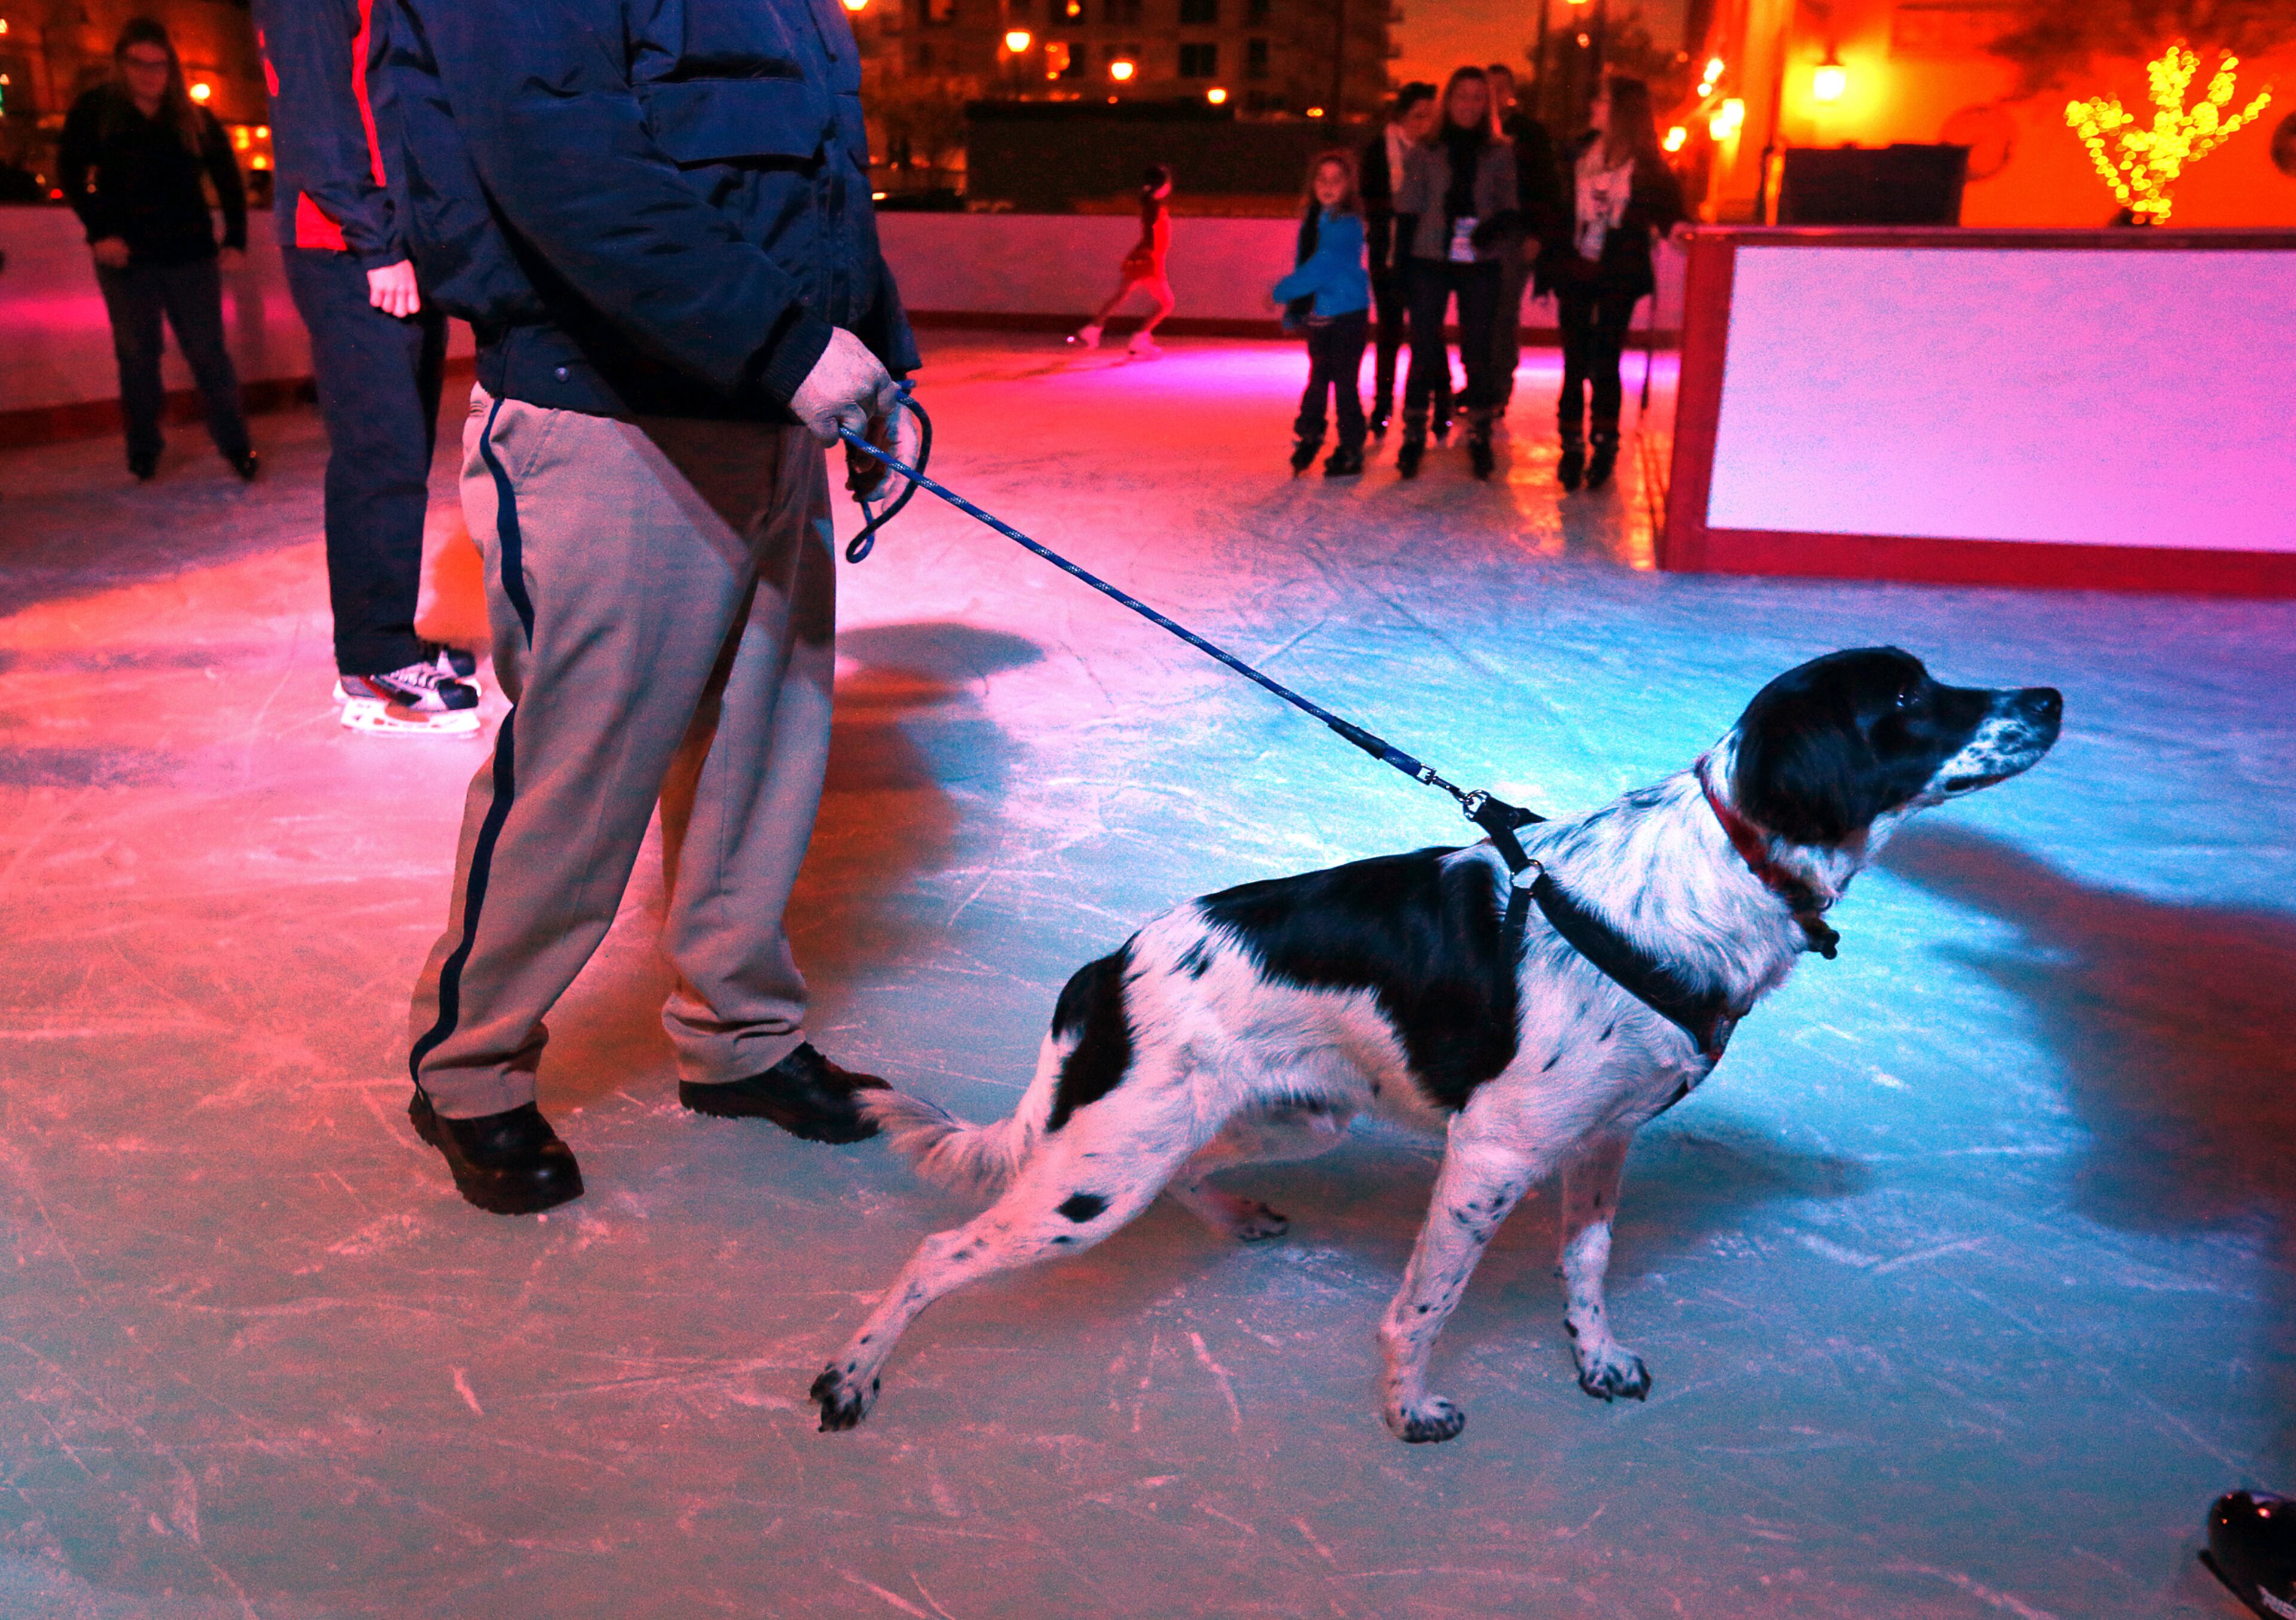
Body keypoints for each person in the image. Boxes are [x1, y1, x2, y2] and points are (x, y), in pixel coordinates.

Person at [383, 0, 923, 1215]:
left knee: (762, 744)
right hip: (607, 408)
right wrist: (786, 342)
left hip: (762, 402)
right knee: (590, 758)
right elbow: (562, 160)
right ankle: (470, 1069)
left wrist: (874, 354)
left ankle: (738, 1035)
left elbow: (826, 176)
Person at [254, 0, 481, 735]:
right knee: (379, 452)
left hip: (389, 236)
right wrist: (376, 242)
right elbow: (319, 119)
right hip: (347, 247)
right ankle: (370, 662)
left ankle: (386, 632)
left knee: (402, 450)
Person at [57, 19, 257, 484]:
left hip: (189, 253)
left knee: (209, 353)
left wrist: (236, 239)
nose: (150, 74)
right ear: (122, 65)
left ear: (171, 67)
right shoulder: (97, 111)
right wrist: (99, 231)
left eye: (159, 65)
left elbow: (228, 177)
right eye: (139, 64)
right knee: (137, 355)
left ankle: (236, 444)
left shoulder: (191, 117)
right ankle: (144, 449)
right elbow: (70, 172)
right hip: (126, 256)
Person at [1543, 76, 1686, 493]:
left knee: (1605, 359)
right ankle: (1571, 444)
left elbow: (1673, 215)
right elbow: (1556, 207)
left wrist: (1679, 231)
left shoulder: (1649, 170)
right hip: (1576, 268)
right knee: (1573, 361)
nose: (1594, 105)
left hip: (1618, 274)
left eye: (1603, 100)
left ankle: (1604, 442)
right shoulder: (1577, 155)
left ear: (1623, 112)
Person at [1392, 67, 1518, 481]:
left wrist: (1492, 228)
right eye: (1462, 97)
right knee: (1424, 341)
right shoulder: (1426, 150)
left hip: (1480, 261)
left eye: (1478, 98)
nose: (1470, 105)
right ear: (1450, 101)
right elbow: (1409, 209)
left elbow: (1508, 207)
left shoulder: (1499, 152)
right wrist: (1401, 265)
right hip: (1429, 257)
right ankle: (1413, 431)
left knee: (1477, 345)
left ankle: (1479, 431)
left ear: (1488, 105)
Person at [1272, 151, 1372, 479]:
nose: (1328, 186)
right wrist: (1294, 313)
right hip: (1320, 314)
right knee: (1318, 377)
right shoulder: (1314, 221)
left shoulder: (1346, 224)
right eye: (1322, 179)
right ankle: (1310, 431)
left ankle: (1351, 446)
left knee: (1344, 382)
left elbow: (1322, 266)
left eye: (1336, 180)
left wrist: (1282, 291)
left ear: (1348, 186)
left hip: (1347, 314)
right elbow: (1305, 261)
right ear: (1312, 184)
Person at [1357, 83, 1445, 438]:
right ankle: (1382, 401)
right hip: (1389, 251)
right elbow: (1371, 198)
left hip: (1429, 253)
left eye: (1431, 116)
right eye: (1418, 116)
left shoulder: (1439, 152)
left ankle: (1441, 401)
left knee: (1428, 329)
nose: (1425, 124)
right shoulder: (1380, 150)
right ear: (1401, 117)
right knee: (1390, 327)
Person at [1483, 63, 1562, 416]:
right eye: (1489, 88)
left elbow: (1546, 186)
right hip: (1484, 234)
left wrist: (1536, 233)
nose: (1494, 96)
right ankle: (1483, 380)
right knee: (1482, 310)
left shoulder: (1530, 134)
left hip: (1515, 235)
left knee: (1502, 311)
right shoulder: (1476, 131)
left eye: (1501, 88)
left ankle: (1498, 385)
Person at [1070, 164, 1176, 359]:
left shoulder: (1151, 204)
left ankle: (1092, 329)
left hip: (1142, 256)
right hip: (1150, 258)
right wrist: (1151, 254)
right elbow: (1153, 232)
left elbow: (1150, 231)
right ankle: (1140, 339)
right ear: (1163, 184)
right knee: (1166, 303)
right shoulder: (1154, 206)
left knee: (1122, 295)